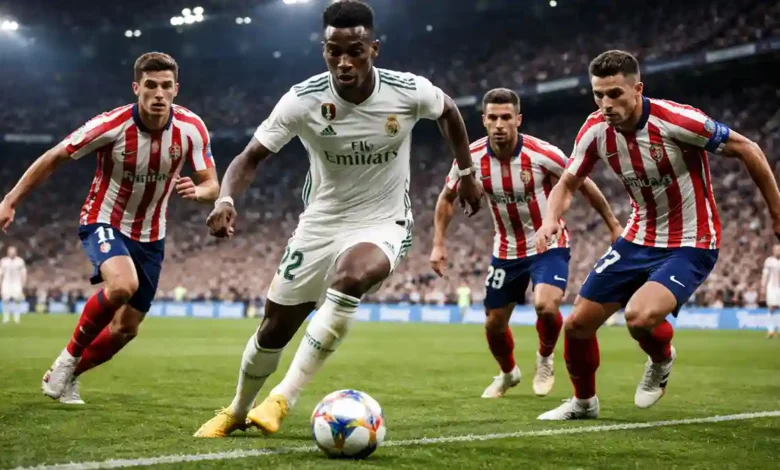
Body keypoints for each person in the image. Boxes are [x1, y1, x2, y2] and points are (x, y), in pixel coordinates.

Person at [194, 0, 482, 438]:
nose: (345, 62)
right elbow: (250, 156)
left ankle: (282, 399)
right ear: (323, 49)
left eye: (356, 51)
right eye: (334, 52)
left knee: (351, 278)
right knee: (274, 329)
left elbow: (449, 113)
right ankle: (236, 410)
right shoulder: (303, 100)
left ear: (375, 49)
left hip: (384, 221)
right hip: (321, 222)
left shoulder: (408, 91)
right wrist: (226, 199)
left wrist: (465, 172)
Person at [535, 50, 780, 420]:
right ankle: (584, 404)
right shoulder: (594, 130)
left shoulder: (677, 121)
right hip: (637, 238)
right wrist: (549, 219)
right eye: (598, 95)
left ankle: (662, 359)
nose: (606, 104)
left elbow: (749, 149)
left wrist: (776, 213)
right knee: (578, 325)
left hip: (691, 241)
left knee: (639, 317)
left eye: (615, 93)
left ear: (637, 89)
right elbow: (568, 183)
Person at [0, 52, 219, 405]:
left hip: (152, 236)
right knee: (122, 285)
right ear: (137, 88)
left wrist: (200, 192)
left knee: (124, 330)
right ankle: (66, 358)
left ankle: (70, 375)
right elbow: (55, 156)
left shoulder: (192, 128)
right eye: (150, 86)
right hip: (104, 219)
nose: (158, 93)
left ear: (176, 89)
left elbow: (212, 185)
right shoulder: (111, 125)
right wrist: (10, 200)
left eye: (166, 86)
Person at [430, 88, 621, 399]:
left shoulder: (542, 153)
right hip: (505, 250)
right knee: (493, 324)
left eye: (506, 117)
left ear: (518, 119)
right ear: (484, 120)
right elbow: (446, 198)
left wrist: (613, 225)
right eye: (493, 118)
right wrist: (438, 244)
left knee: (546, 306)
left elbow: (583, 183)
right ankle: (508, 373)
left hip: (548, 243)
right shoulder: (471, 158)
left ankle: (545, 358)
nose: (499, 124)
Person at [0, 246, 27, 324]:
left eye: (13, 251)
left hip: (17, 283)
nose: (12, 253)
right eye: (10, 251)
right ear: (7, 252)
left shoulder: (20, 261)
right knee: (5, 300)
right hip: (6, 283)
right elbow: (0, 274)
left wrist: (23, 284)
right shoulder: (3, 261)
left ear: (16, 252)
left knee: (17, 300)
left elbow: (23, 274)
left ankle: (16, 318)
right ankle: (6, 318)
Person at [761, 244, 780, 338]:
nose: (778, 251)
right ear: (773, 250)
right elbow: (765, 274)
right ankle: (771, 330)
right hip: (772, 287)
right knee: (771, 308)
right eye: (776, 249)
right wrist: (763, 287)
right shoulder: (769, 261)